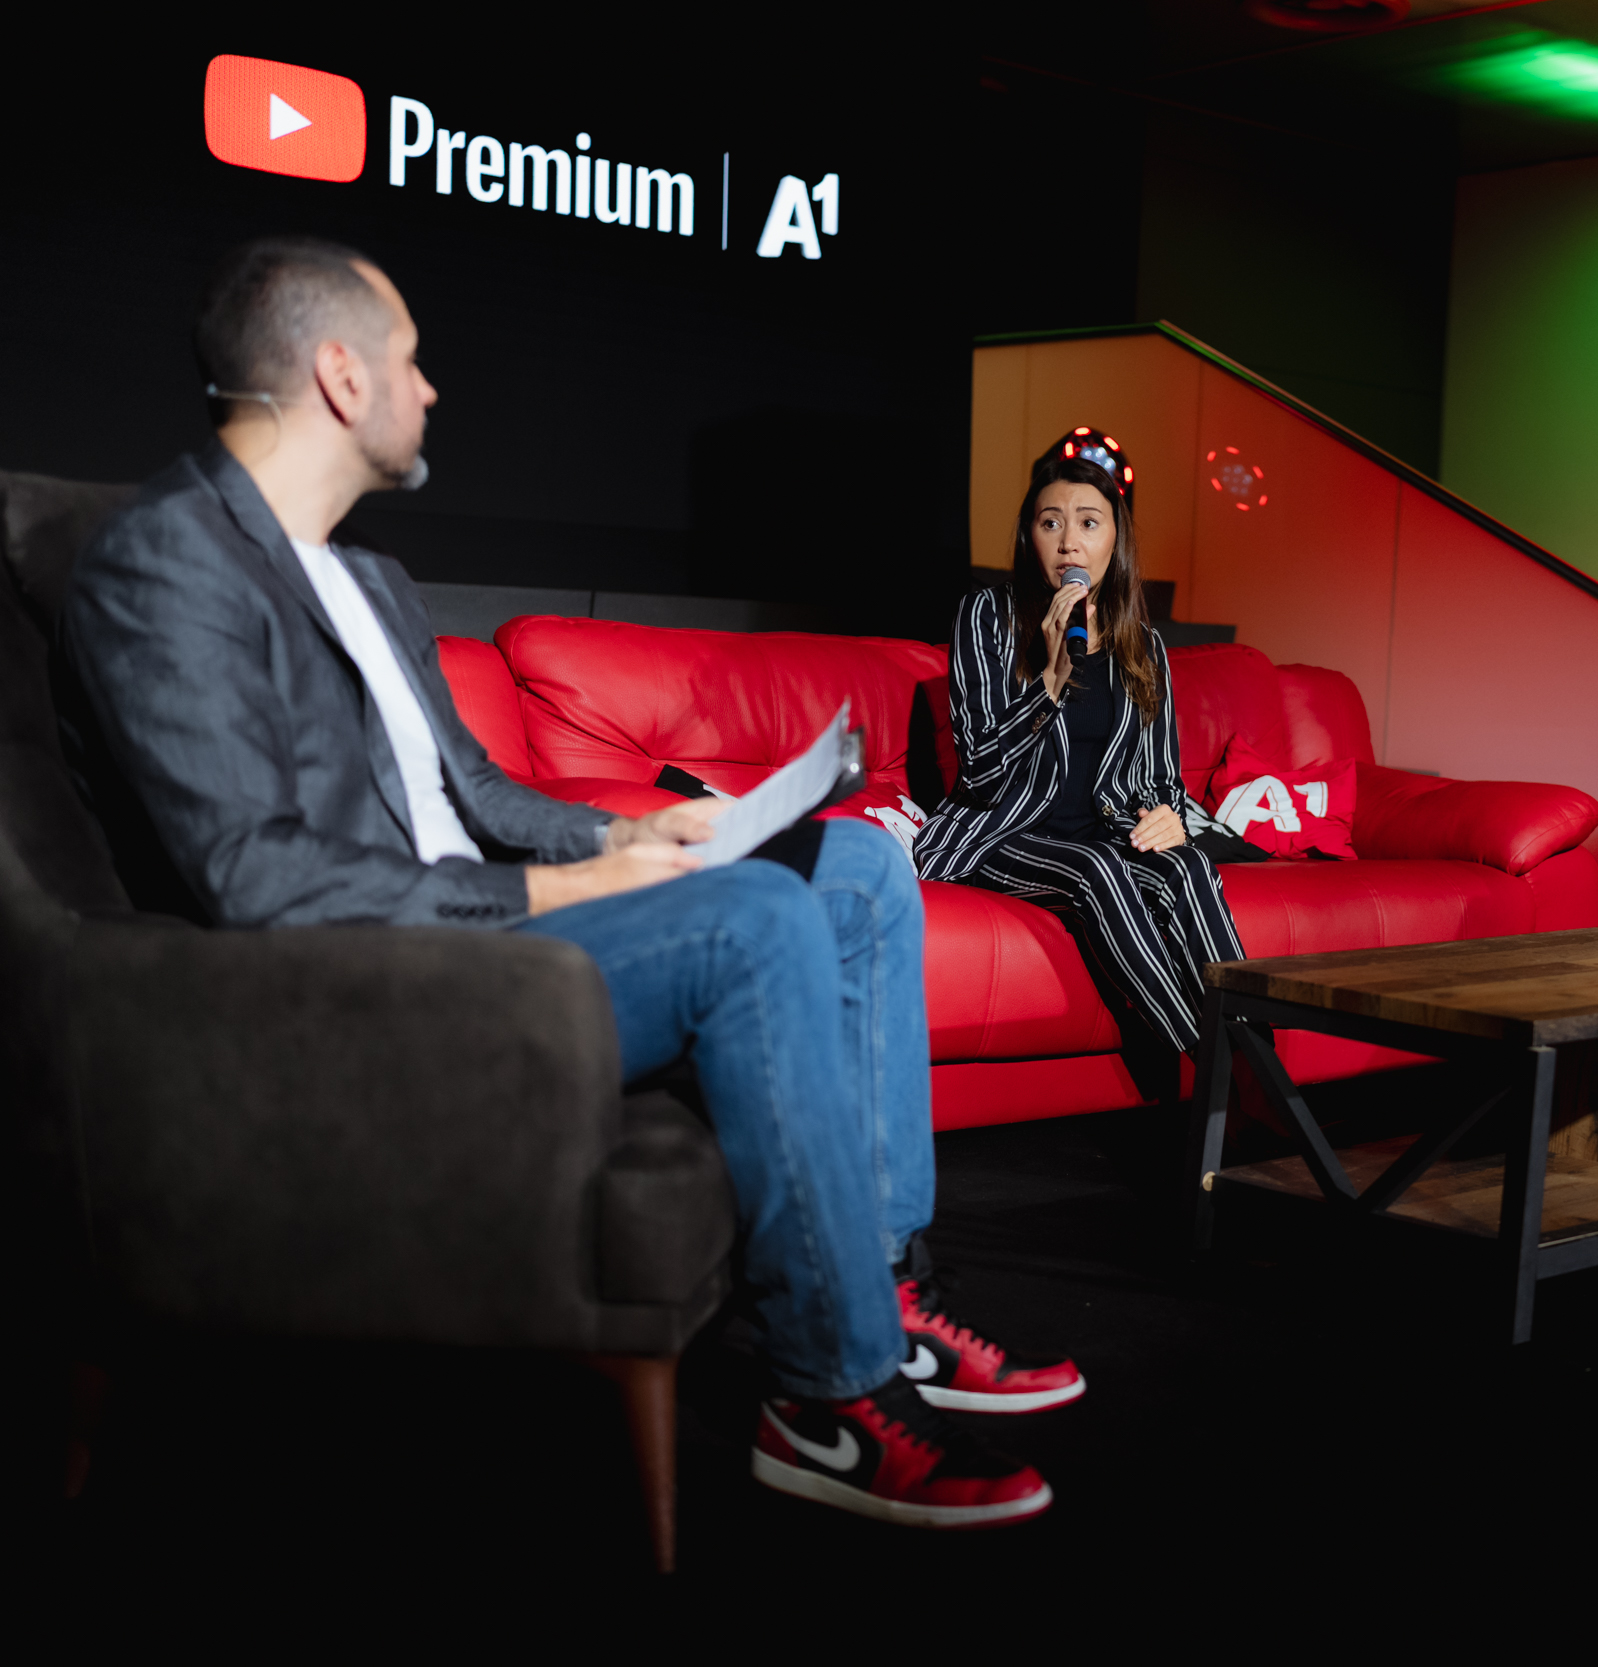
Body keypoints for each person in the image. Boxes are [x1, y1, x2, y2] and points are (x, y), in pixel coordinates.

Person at [56, 236, 1079, 1529]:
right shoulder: (163, 559)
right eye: (411, 360)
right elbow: (258, 876)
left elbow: (475, 791)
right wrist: (560, 894)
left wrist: (629, 834)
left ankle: (880, 1286)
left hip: (485, 928)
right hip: (374, 977)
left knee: (862, 864)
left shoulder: (366, 572)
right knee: (761, 918)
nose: (430, 389)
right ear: (340, 375)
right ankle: (827, 1395)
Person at [913, 455, 1246, 1092]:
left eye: (1089, 523)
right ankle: (1224, 1076)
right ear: (1029, 538)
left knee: (1190, 866)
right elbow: (979, 771)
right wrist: (1049, 681)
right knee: (1099, 870)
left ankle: (1254, 1050)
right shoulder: (986, 616)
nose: (1069, 541)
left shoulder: (1142, 643)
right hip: (1000, 835)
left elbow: (1162, 779)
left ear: (1114, 542)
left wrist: (1167, 818)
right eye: (1051, 523)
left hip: (1103, 833)